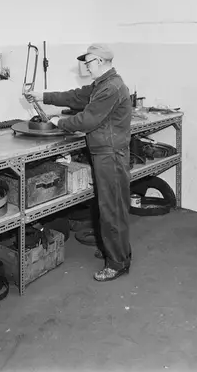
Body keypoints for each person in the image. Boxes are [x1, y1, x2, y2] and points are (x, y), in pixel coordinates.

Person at [25, 43, 133, 282]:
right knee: (111, 206)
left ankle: (117, 263)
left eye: (89, 62)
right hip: (105, 152)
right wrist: (43, 96)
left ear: (101, 61)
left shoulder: (111, 87)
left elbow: (87, 120)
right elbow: (75, 96)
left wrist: (58, 122)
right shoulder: (101, 84)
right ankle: (117, 251)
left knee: (112, 209)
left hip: (110, 156)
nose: (86, 67)